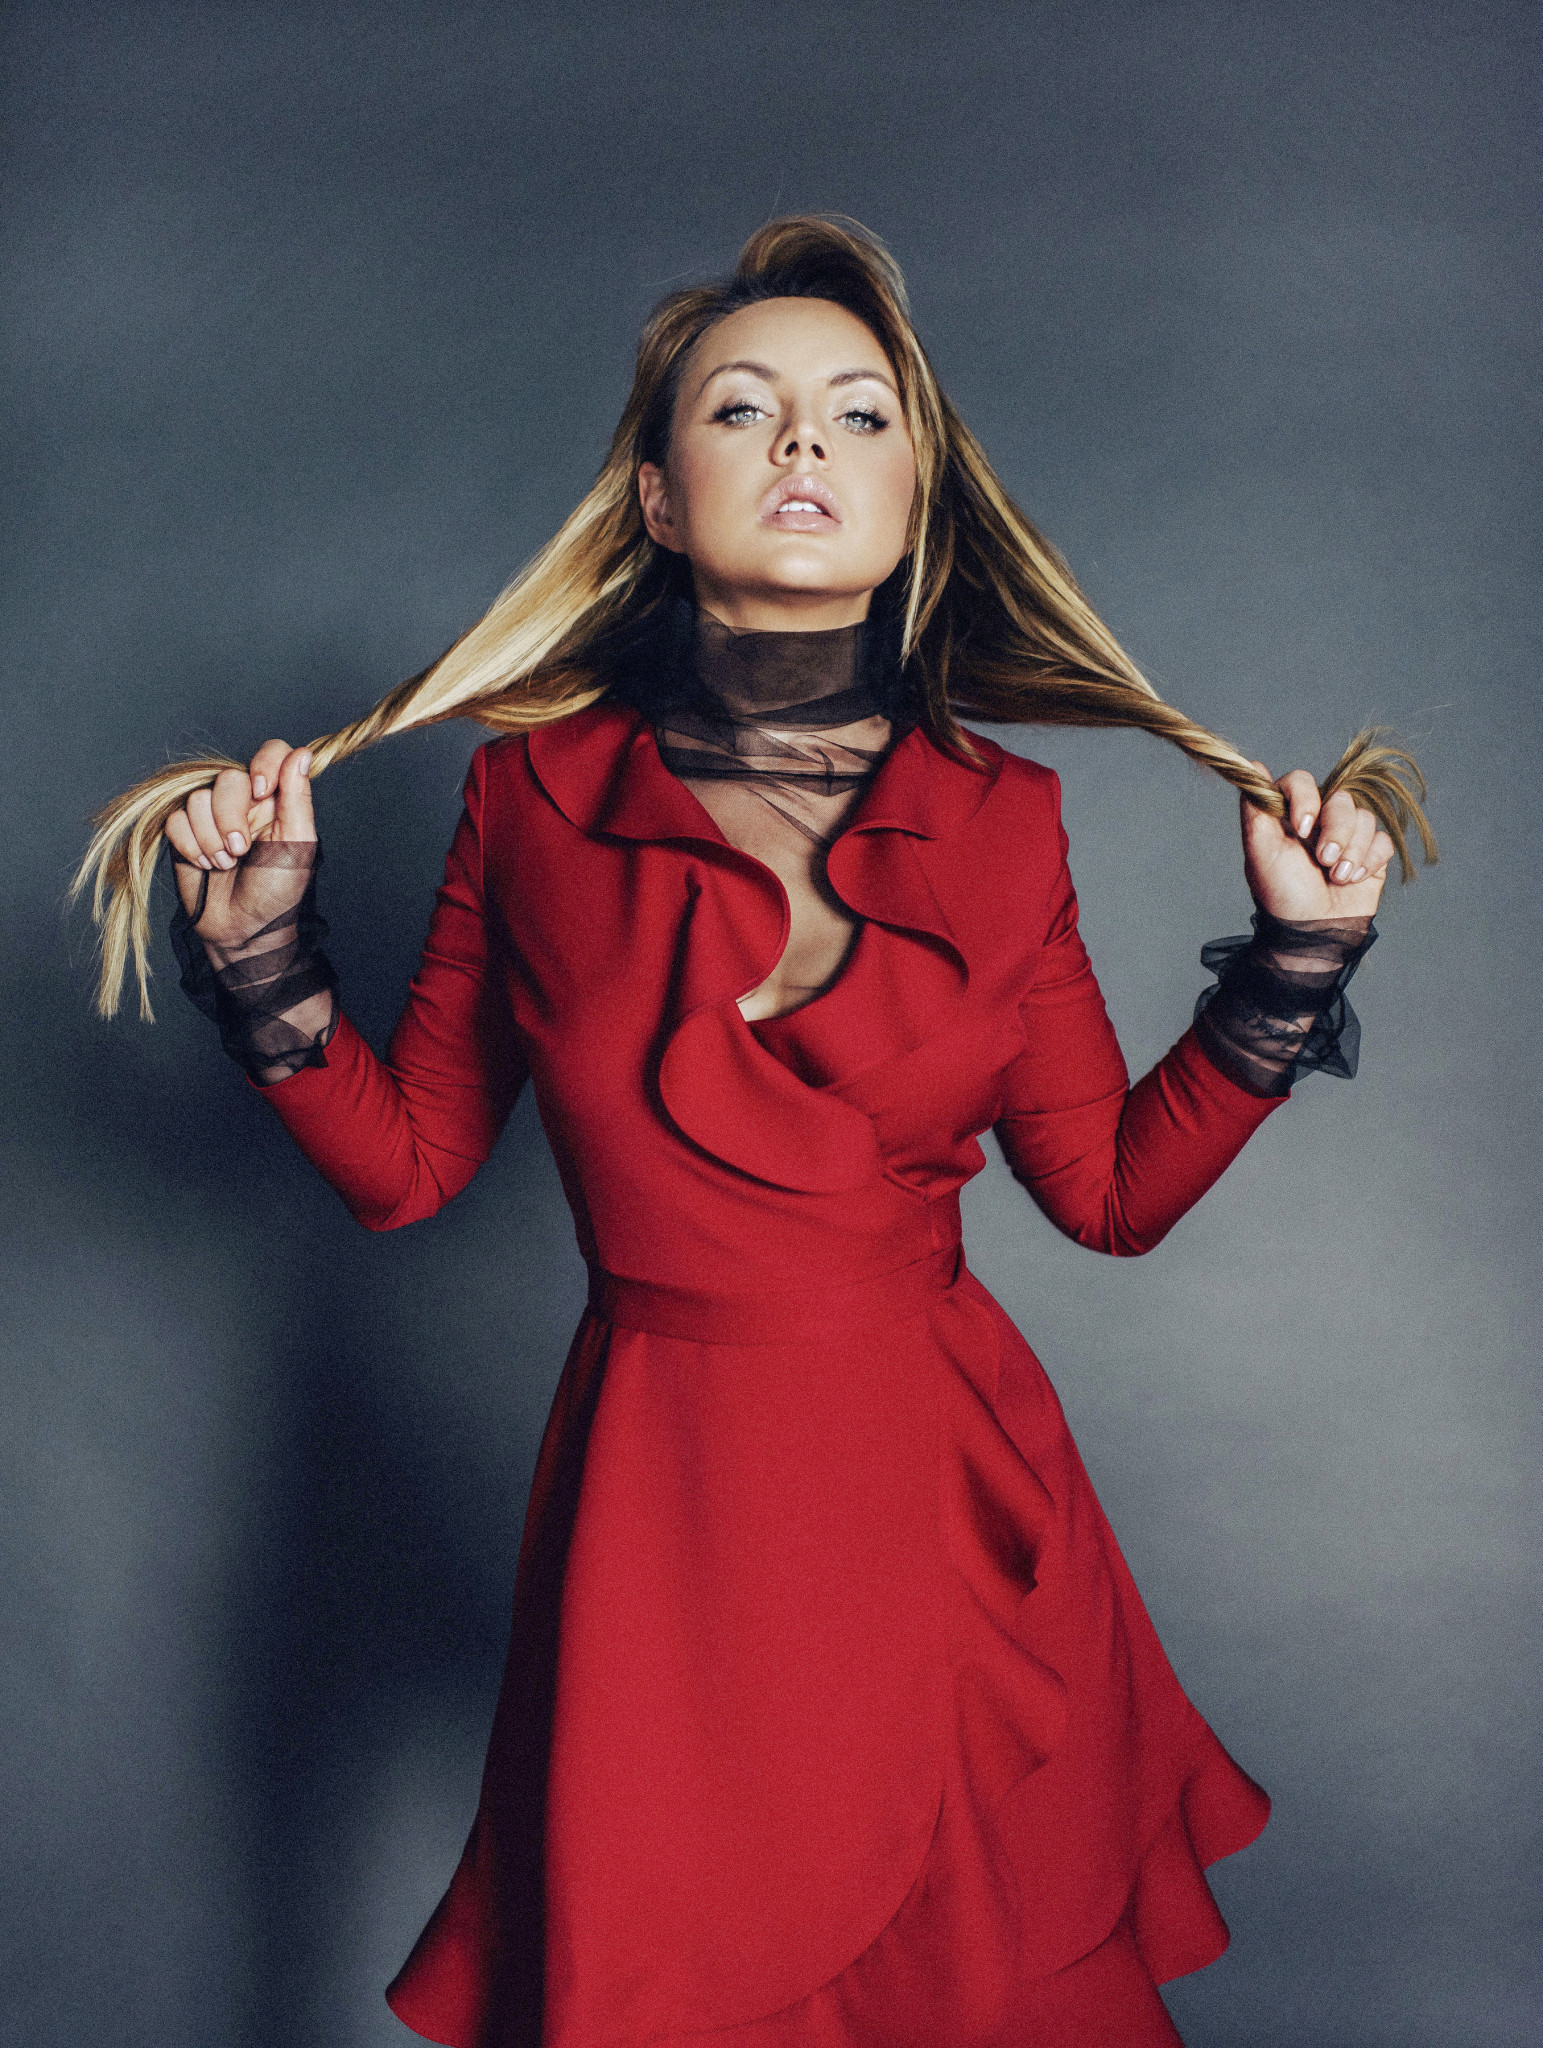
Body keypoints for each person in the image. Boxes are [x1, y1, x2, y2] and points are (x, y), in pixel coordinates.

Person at [75, 217, 1433, 2047]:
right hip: (661, 1524)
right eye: (743, 406)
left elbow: (1111, 1194)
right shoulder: (532, 799)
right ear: (655, 495)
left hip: (946, 1521)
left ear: (916, 501)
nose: (805, 441)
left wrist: (1295, 957)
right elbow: (406, 1173)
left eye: (861, 414)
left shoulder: (1007, 818)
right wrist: (264, 964)